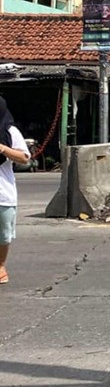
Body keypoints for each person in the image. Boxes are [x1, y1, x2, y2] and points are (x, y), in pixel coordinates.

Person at [0, 96, 32, 286]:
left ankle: (0, 267)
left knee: (3, 235)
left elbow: (24, 157)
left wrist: (3, 148)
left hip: (2, 193)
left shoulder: (10, 132)